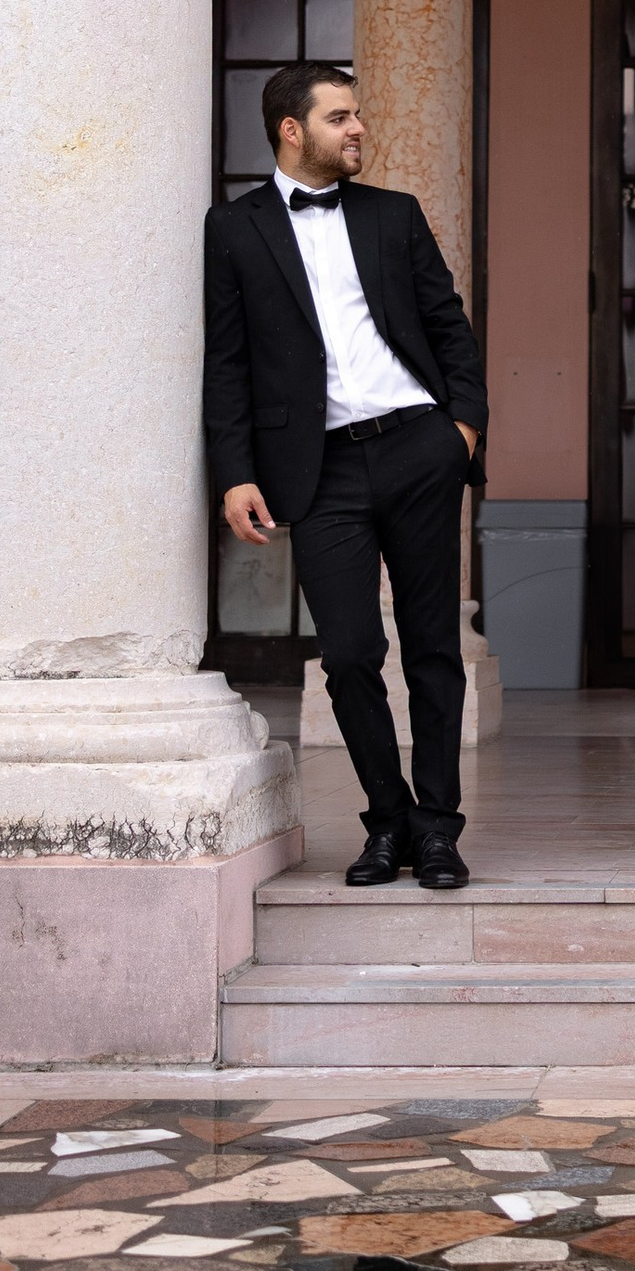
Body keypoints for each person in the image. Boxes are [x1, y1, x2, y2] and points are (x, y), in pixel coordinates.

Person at [203, 58, 489, 889]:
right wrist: (234, 472)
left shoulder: (393, 215)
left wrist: (460, 431)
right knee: (351, 653)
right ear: (292, 130)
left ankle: (438, 828)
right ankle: (387, 818)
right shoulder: (234, 229)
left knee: (434, 649)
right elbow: (226, 363)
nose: (357, 127)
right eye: (339, 117)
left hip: (417, 448)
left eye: (356, 114)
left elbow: (449, 326)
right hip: (318, 469)